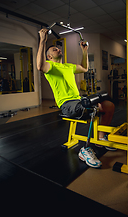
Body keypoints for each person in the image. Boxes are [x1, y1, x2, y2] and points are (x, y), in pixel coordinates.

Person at [37, 28, 115, 168]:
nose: (59, 50)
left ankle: (100, 137)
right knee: (90, 109)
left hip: (79, 100)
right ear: (49, 56)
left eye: (58, 49)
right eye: (55, 49)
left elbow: (84, 68)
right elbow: (39, 65)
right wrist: (42, 41)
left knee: (108, 105)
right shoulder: (50, 67)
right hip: (67, 105)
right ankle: (85, 150)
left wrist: (84, 50)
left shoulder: (68, 66)